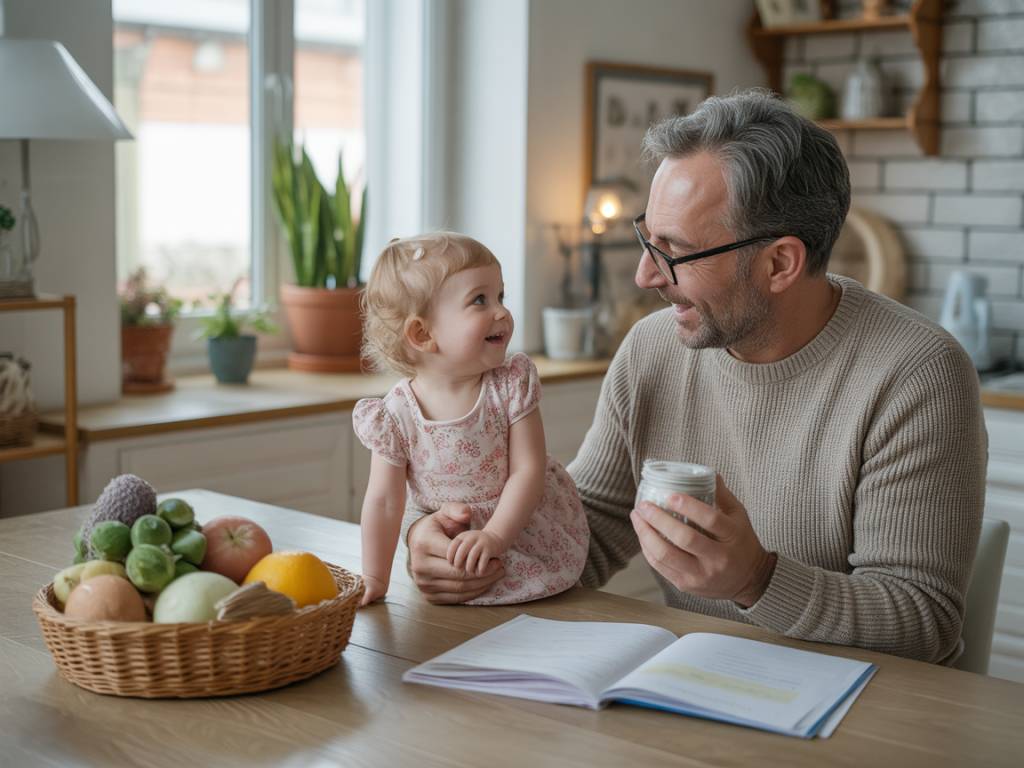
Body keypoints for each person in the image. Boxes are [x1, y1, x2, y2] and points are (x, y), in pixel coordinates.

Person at [401, 90, 987, 664]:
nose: (645, 275)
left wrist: (757, 579)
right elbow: (585, 531)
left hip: (871, 707)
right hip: (694, 684)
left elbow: (924, 621)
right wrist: (440, 537)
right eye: (647, 238)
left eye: (674, 251)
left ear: (779, 263)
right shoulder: (653, 349)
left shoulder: (917, 374)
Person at [353, 232, 589, 606]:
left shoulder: (510, 385)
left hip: (518, 529)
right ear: (422, 333)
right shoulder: (394, 414)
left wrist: (495, 536)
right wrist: (374, 577)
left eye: (500, 296)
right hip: (453, 554)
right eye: (480, 300)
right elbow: (383, 502)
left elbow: (527, 471)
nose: (502, 312)